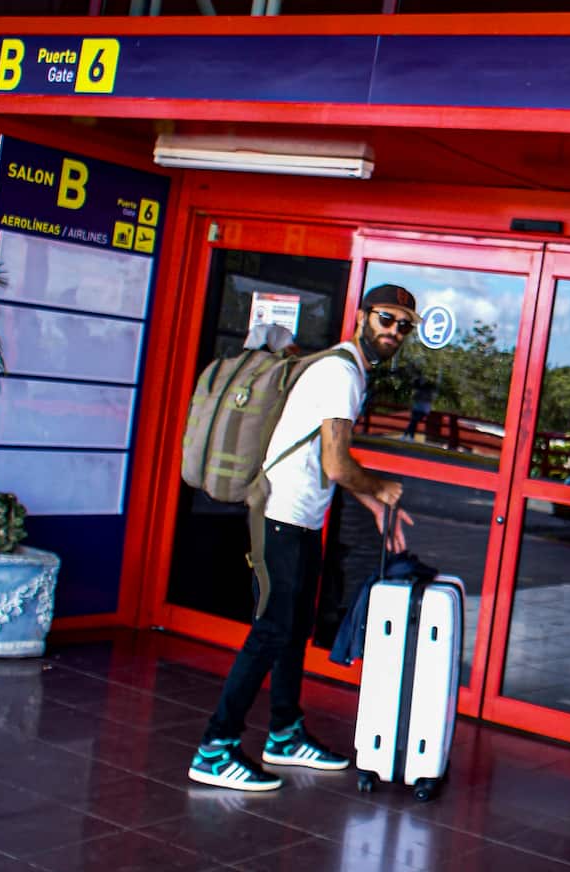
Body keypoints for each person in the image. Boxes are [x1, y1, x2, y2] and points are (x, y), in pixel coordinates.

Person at [189, 283, 419, 792]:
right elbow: (338, 464)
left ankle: (285, 736)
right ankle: (214, 747)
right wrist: (380, 486)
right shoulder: (340, 371)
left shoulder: (347, 369)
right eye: (386, 319)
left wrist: (373, 504)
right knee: (271, 629)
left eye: (405, 325)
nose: (394, 332)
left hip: (301, 519)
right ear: (362, 317)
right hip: (279, 516)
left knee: (292, 629)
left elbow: (324, 456)